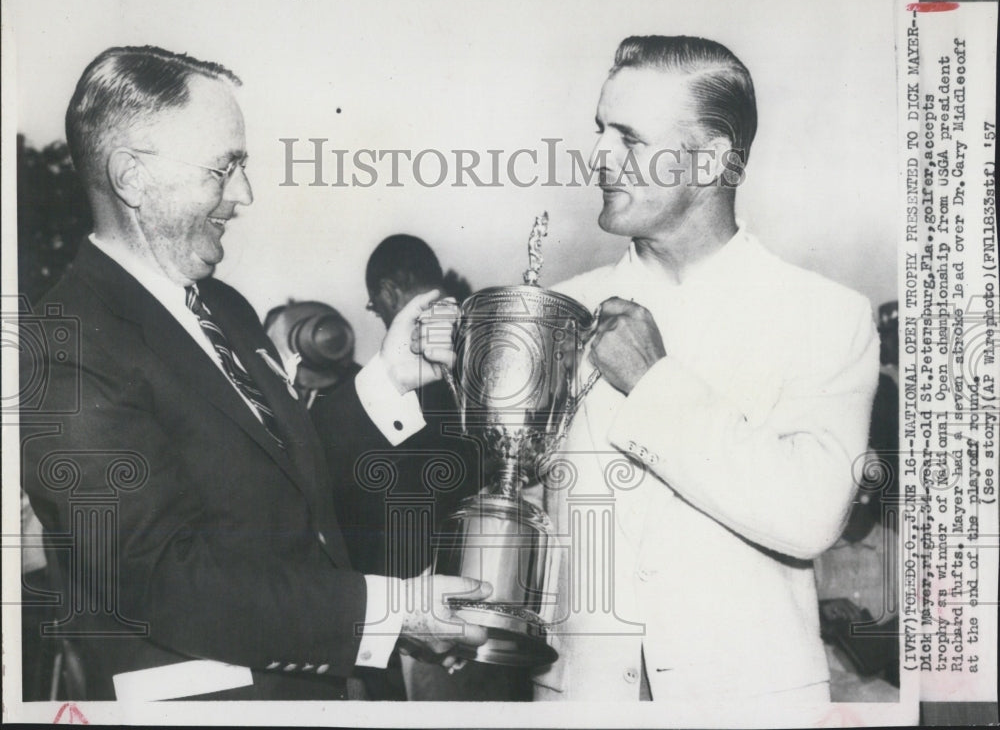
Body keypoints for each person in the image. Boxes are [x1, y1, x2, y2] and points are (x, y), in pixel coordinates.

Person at [19, 46, 487, 702]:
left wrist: (389, 378)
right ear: (131, 176)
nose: (245, 194)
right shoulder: (61, 347)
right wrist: (393, 612)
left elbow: (284, 481)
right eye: (224, 167)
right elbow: (160, 580)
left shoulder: (224, 308)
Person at [529, 36, 880, 705]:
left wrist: (653, 382)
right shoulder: (558, 310)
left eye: (628, 138)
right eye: (599, 131)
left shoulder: (828, 315)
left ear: (712, 158)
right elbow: (524, 500)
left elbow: (809, 514)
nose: (597, 156)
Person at [313, 235, 528, 699]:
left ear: (389, 292)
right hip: (499, 593)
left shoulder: (413, 376)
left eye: (374, 306)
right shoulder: (495, 346)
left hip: (417, 615)